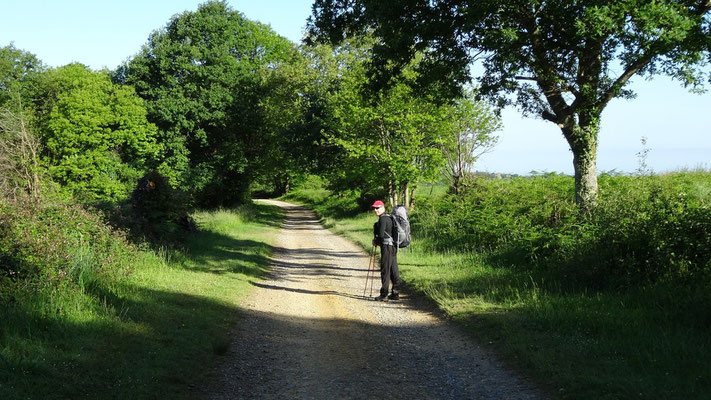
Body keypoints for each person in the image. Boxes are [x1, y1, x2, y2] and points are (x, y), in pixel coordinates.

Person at [371, 200, 400, 301]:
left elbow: (381, 235)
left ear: (383, 208)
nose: (375, 210)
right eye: (374, 208)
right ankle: (395, 293)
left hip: (387, 247)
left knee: (385, 270)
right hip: (393, 246)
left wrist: (376, 241)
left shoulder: (383, 219)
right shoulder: (390, 217)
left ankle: (384, 294)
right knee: (393, 269)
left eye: (377, 208)